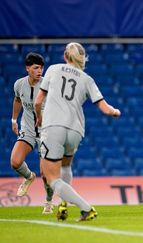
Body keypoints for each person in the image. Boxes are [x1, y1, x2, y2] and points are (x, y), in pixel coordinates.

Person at [34, 42, 121, 221]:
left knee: (51, 178)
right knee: (65, 166)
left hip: (54, 126)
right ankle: (64, 203)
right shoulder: (87, 78)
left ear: (66, 56)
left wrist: (39, 118)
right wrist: (115, 111)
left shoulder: (54, 69)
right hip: (75, 130)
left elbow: (37, 102)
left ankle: (86, 208)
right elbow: (105, 108)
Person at [10, 52, 55, 214]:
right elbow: (17, 100)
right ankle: (29, 176)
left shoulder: (48, 85)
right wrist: (14, 120)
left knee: (46, 173)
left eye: (41, 68)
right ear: (27, 68)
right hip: (28, 129)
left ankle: (48, 202)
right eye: (36, 68)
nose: (39, 71)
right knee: (15, 162)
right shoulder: (19, 84)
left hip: (46, 132)